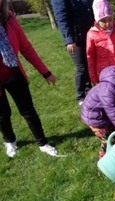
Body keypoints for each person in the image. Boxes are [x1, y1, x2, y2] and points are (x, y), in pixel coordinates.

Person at [0, 0, 59, 157]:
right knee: (2, 113)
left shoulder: (10, 19)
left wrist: (45, 72)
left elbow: (26, 48)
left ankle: (42, 143)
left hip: (13, 73)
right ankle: (9, 141)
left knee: (28, 110)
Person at [51, 0, 94, 106]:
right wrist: (69, 39)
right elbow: (61, 17)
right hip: (75, 37)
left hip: (89, 34)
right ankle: (80, 96)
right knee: (81, 67)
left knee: (88, 64)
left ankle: (89, 91)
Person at [86, 0, 115, 86]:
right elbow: (90, 57)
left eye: (110, 19)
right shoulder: (92, 34)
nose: (107, 23)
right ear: (97, 20)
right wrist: (94, 78)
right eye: (103, 21)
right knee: (107, 96)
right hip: (103, 73)